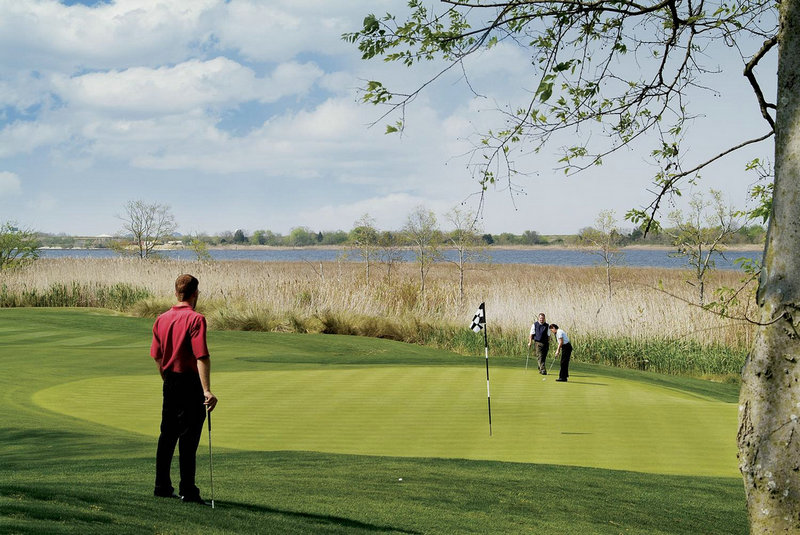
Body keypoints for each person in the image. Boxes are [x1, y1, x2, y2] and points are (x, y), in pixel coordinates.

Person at [151, 274, 218, 504]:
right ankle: (188, 491)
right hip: (190, 382)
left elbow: (158, 357)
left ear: (176, 292)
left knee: (167, 435)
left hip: (170, 381)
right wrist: (206, 390)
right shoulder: (196, 319)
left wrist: (166, 379)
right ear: (195, 293)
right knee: (188, 440)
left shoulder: (161, 319)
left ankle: (161, 486)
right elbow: (201, 356)